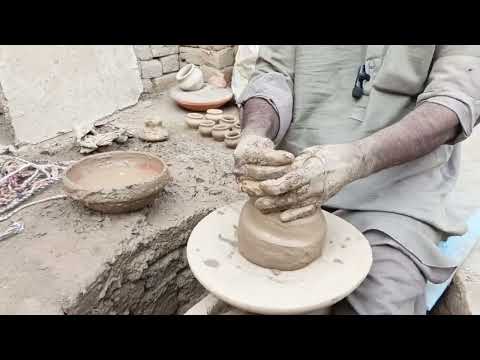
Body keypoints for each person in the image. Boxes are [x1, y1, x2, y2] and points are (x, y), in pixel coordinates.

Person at [233, 45, 480, 315]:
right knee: (269, 298)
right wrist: (255, 132)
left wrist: (358, 158)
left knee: (382, 302)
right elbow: (272, 75)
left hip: (396, 192)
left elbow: (454, 99)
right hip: (298, 177)